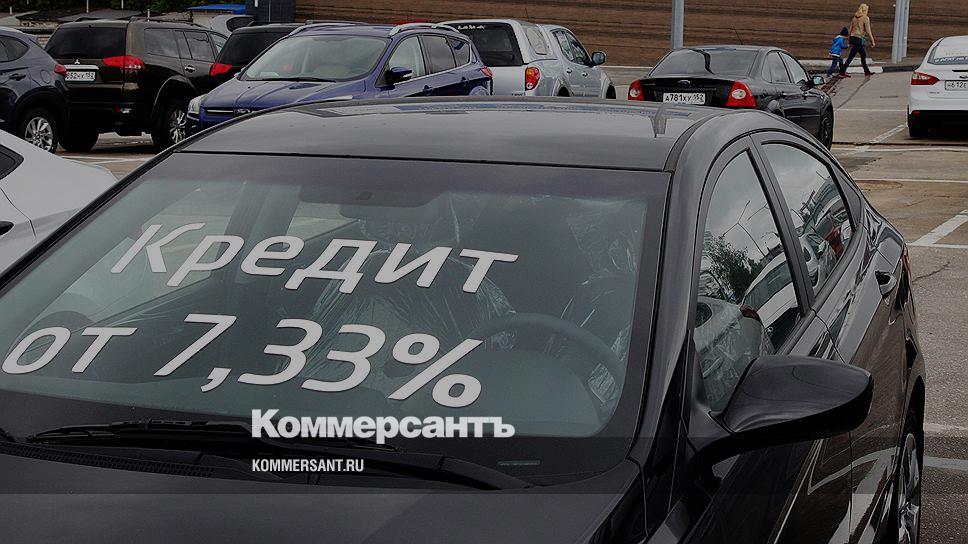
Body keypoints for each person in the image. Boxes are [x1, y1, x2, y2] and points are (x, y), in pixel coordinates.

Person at [841, 3, 876, 77]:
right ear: (865, 10)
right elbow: (868, 31)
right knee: (851, 56)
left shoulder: (854, 18)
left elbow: (850, 29)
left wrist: (849, 39)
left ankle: (866, 71)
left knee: (863, 54)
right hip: (858, 38)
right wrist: (872, 41)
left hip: (853, 38)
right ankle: (842, 71)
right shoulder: (865, 18)